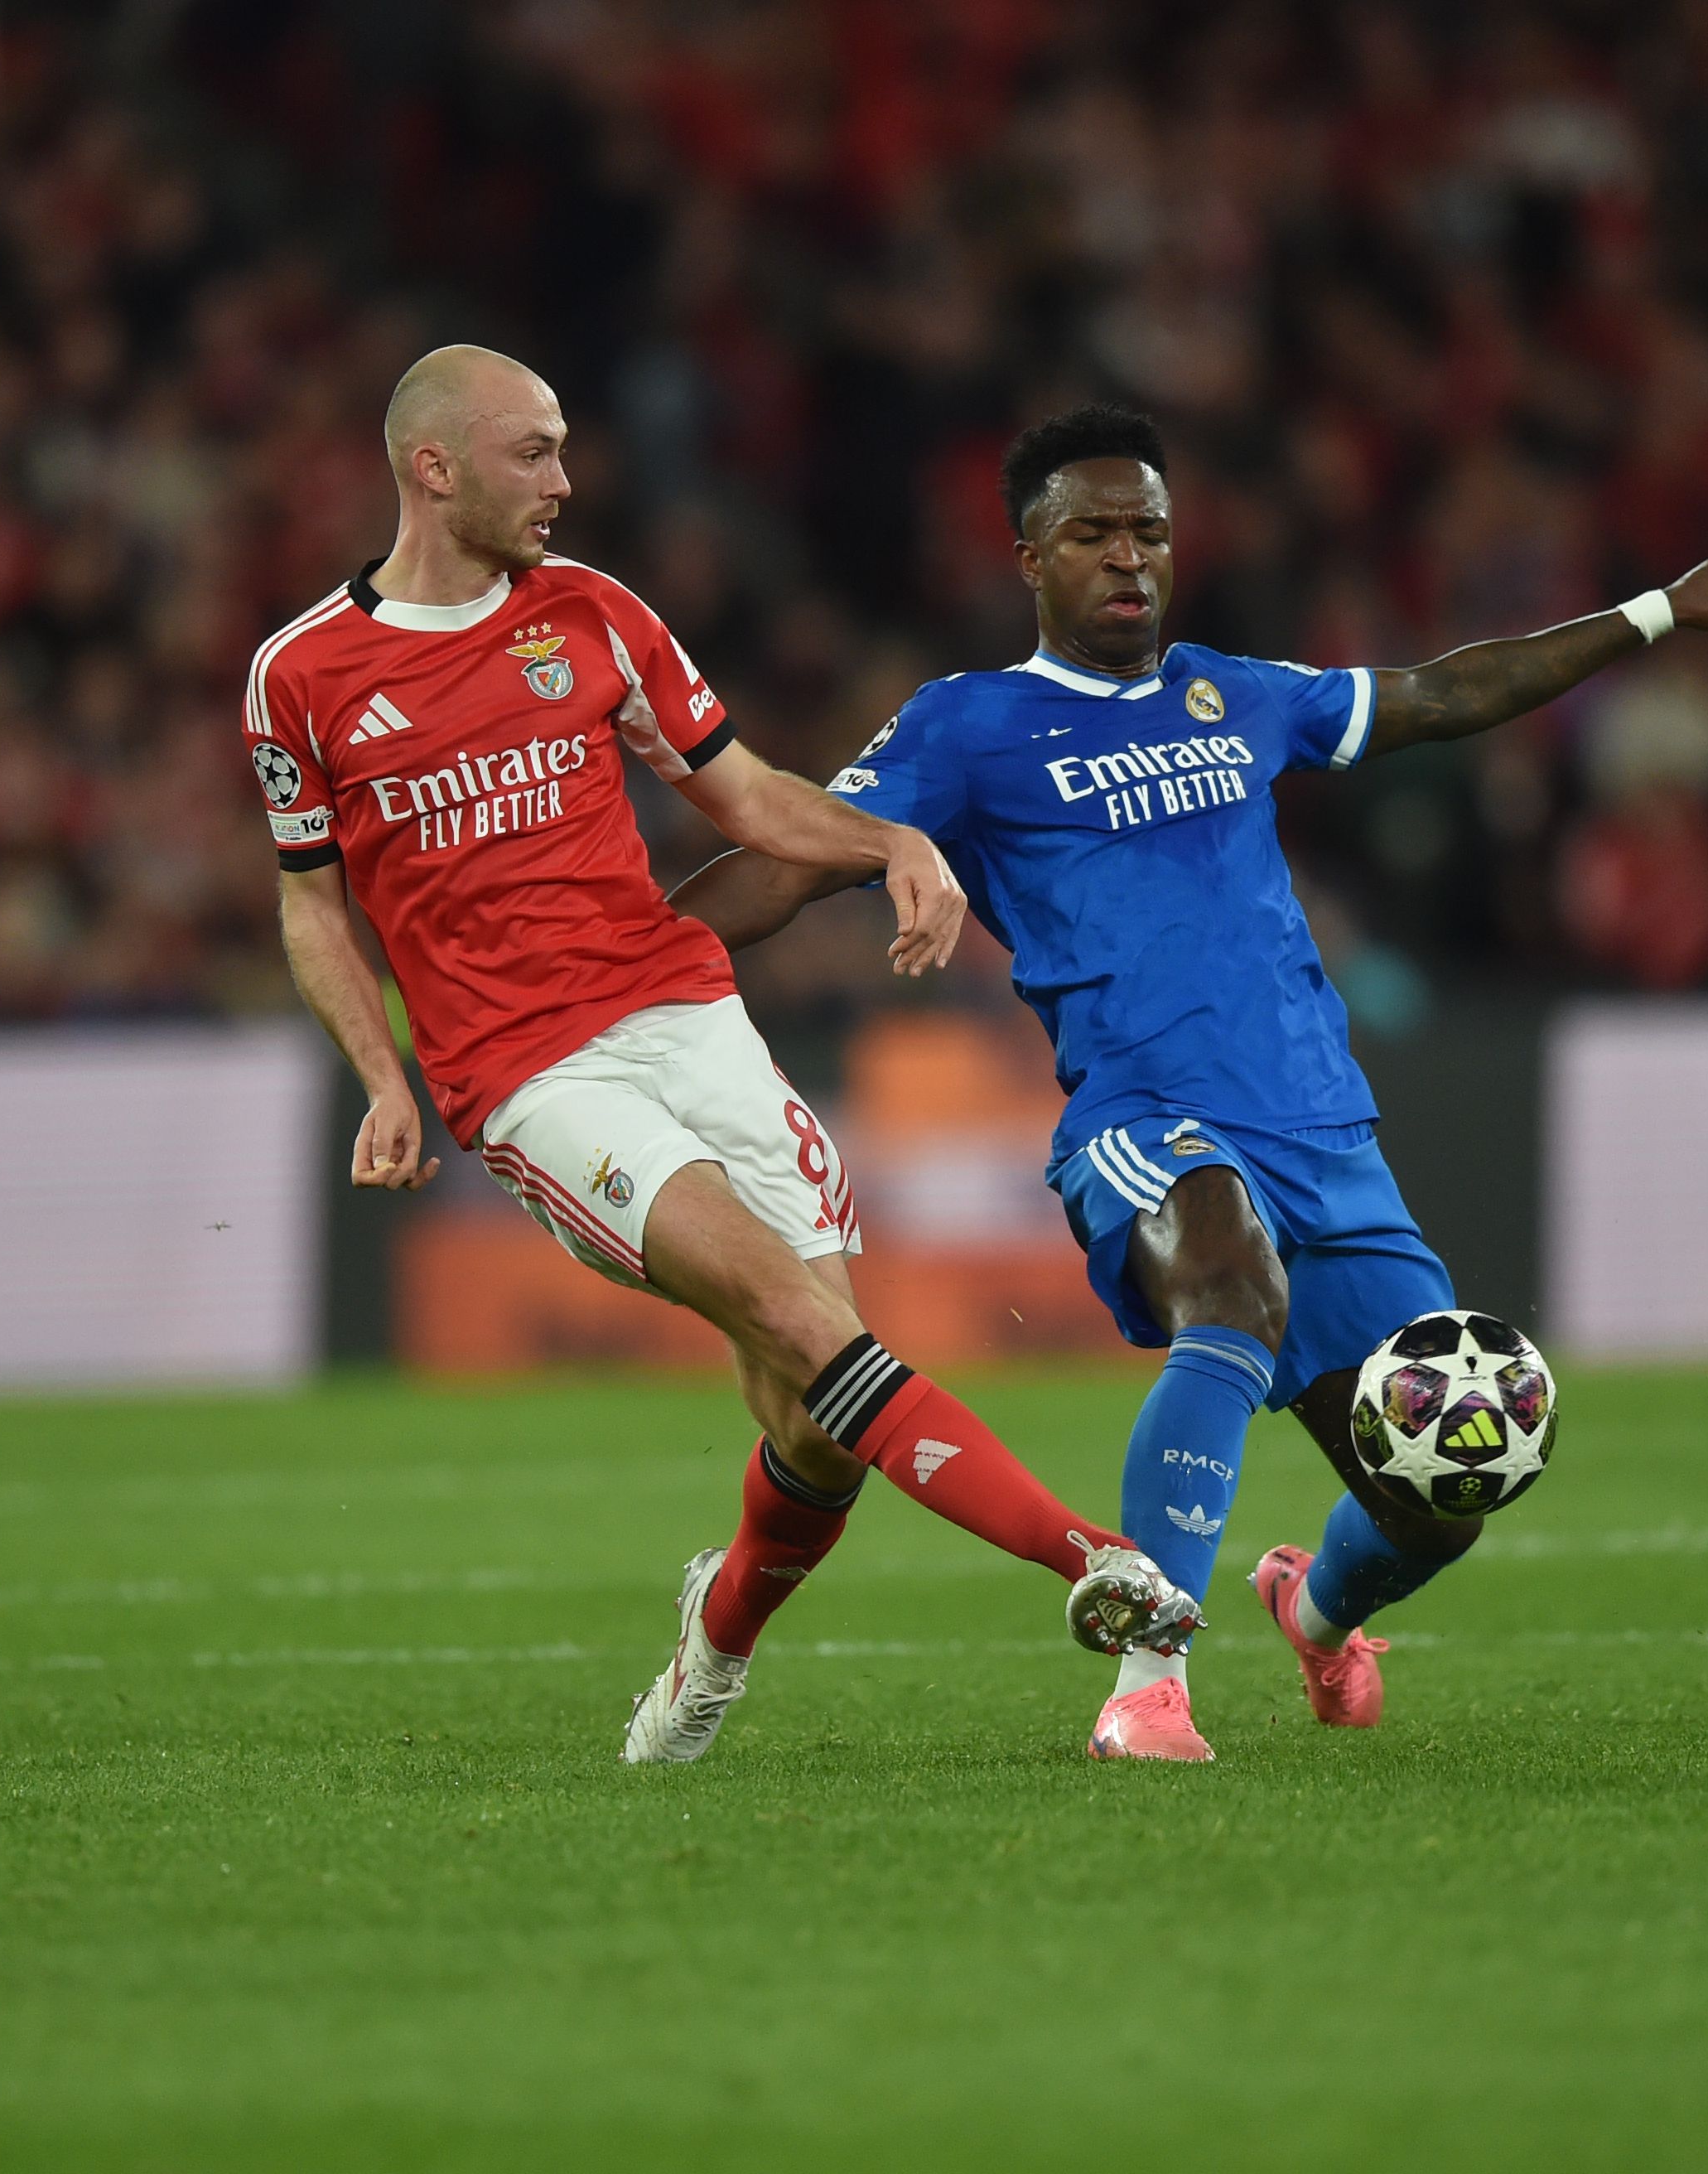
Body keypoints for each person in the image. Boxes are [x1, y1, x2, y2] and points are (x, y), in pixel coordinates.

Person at [670, 403, 1708, 1761]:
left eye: (1147, 528)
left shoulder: (1235, 693)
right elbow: (789, 864)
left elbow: (1448, 691)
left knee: (1436, 1495)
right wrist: (590, 965)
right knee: (1230, 1280)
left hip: (1327, 1137)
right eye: (1091, 532)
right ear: (1027, 556)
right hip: (1149, 1118)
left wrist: (1660, 613)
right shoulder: (967, 729)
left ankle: (1316, 1612)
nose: (1128, 556)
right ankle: (1147, 1690)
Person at [253, 349, 1197, 1766]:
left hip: (687, 1017)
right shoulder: (305, 673)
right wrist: (385, 1076)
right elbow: (311, 895)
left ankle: (714, 1640)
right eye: (534, 452)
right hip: (527, 1077)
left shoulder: (599, 617)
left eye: (566, 448)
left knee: (813, 1416)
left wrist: (895, 842)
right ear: (432, 468)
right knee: (809, 1324)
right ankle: (1093, 1561)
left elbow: (744, 795)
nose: (565, 480)